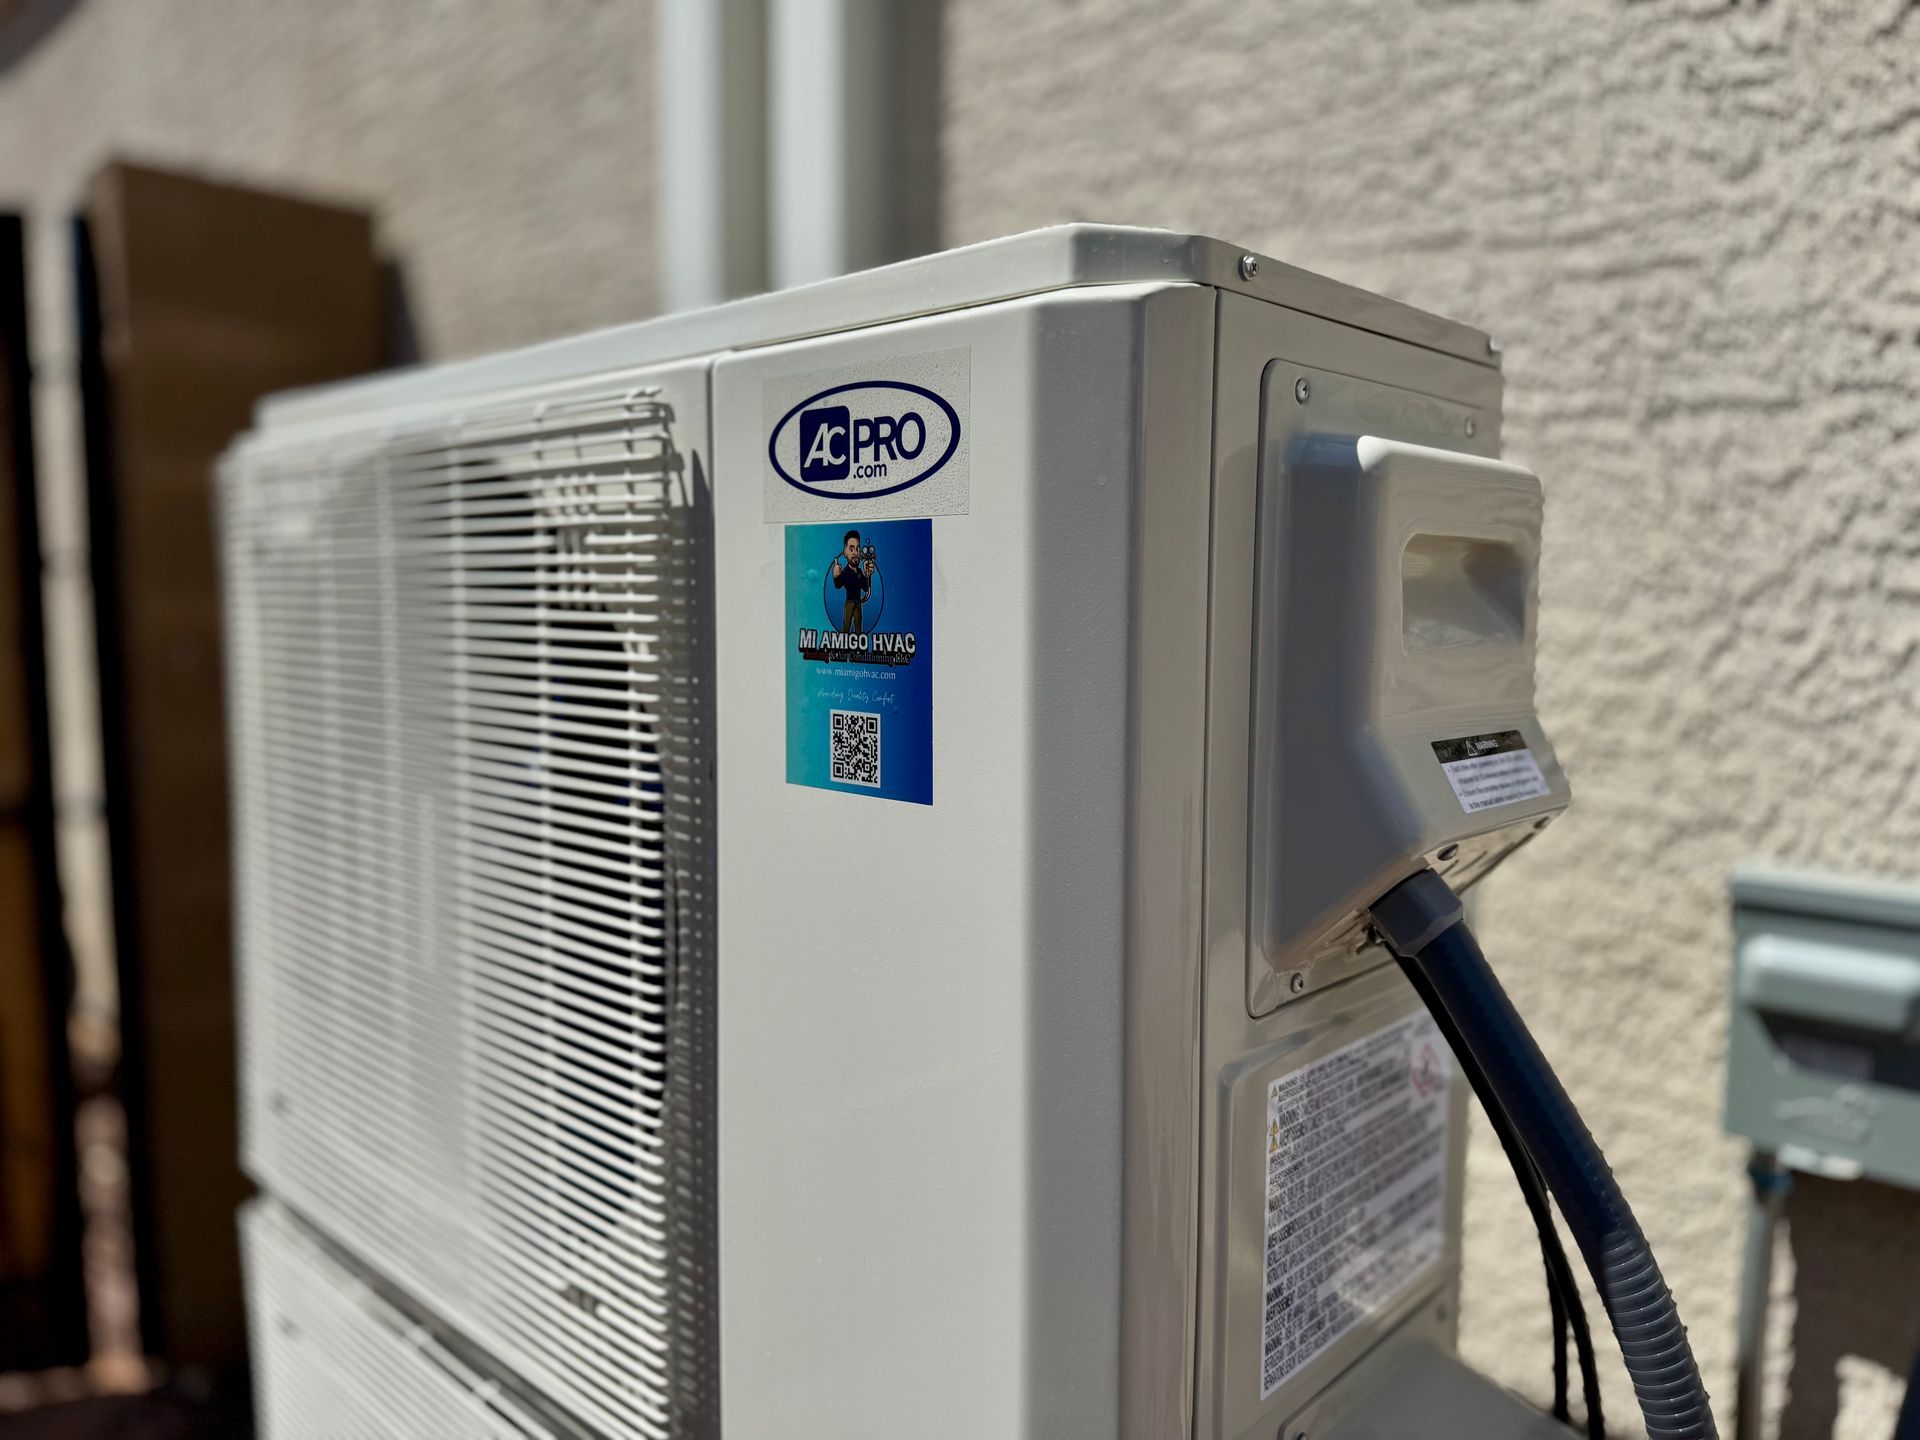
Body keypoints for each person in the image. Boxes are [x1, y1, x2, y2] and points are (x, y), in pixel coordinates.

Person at [830, 529, 874, 633]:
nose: (855, 553)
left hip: (858, 603)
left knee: (858, 625)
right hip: (849, 603)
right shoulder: (845, 572)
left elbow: (865, 588)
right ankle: (844, 642)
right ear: (845, 552)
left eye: (858, 549)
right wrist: (835, 576)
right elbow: (838, 585)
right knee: (847, 625)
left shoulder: (860, 571)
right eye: (851, 549)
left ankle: (859, 642)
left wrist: (867, 575)